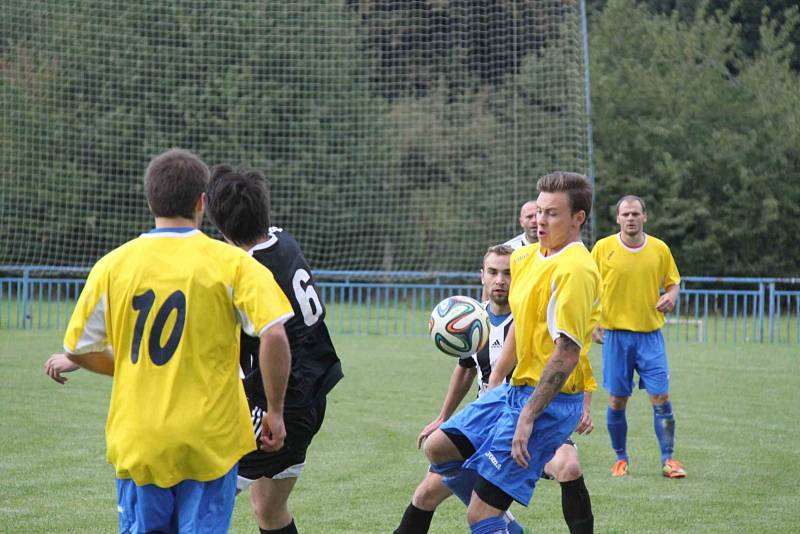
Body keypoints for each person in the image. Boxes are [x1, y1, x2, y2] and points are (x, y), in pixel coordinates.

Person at [44, 148, 294, 533]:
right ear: (201, 202)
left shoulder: (112, 265)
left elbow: (78, 348)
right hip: (210, 436)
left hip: (141, 436)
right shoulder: (233, 263)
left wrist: (128, 367)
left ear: (150, 200)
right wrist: (274, 410)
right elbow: (274, 332)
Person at [395, 244, 595, 534]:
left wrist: (585, 407)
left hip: (529, 412)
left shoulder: (530, 316)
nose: (500, 280)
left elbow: (572, 357)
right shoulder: (471, 321)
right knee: (426, 492)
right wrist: (443, 416)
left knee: (568, 466)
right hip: (484, 419)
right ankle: (503, 524)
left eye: (508, 273)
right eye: (493, 272)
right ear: (482, 277)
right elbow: (465, 369)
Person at [204, 164, 344, 534]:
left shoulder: (245, 274)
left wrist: (273, 410)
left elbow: (269, 339)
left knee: (199, 502)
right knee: (269, 508)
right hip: (314, 394)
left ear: (218, 226)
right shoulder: (283, 239)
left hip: (279, 405)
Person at [462, 171, 600, 534]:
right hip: (513, 390)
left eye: (552, 213)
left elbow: (567, 353)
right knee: (440, 448)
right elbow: (520, 331)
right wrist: (493, 383)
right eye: (539, 211)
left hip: (547, 401)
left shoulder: (576, 270)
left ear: (577, 218)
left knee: (481, 515)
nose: (540, 220)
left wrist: (527, 415)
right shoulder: (523, 258)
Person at [591, 195, 685, 479]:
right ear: (618, 219)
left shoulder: (659, 249)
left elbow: (673, 283)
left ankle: (669, 459)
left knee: (661, 396)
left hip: (650, 336)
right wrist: (592, 322)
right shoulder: (602, 248)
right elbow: (589, 286)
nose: (630, 218)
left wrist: (670, 297)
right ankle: (621, 459)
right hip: (616, 337)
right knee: (617, 400)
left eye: (635, 214)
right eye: (625, 214)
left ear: (644, 217)